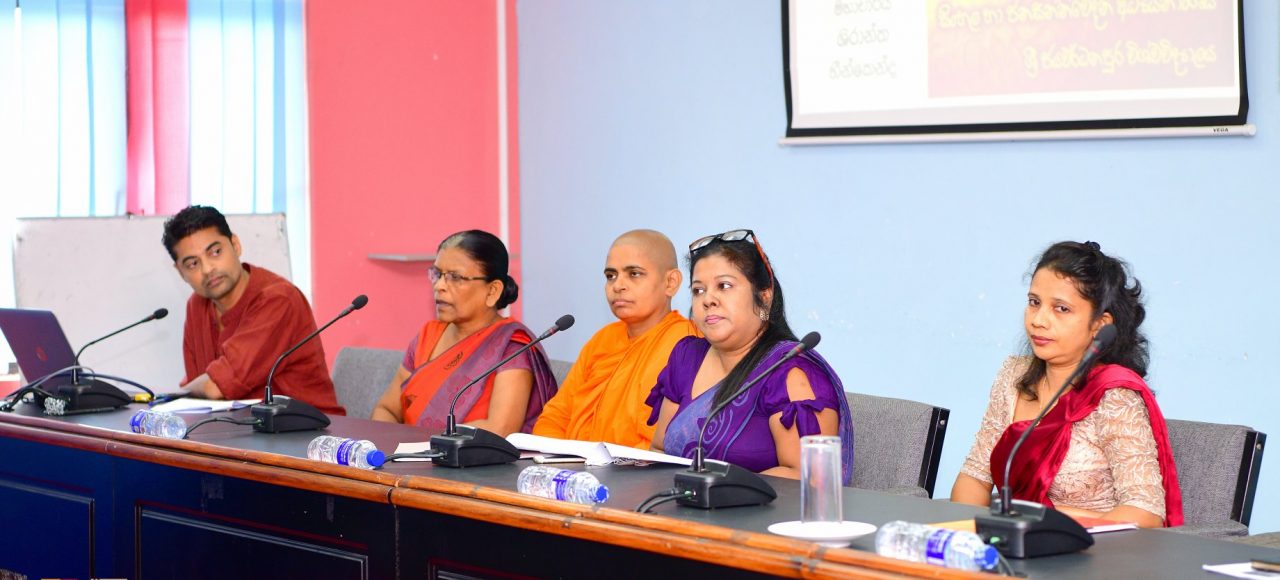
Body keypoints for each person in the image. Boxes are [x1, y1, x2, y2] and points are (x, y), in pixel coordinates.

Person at [950, 241, 1183, 528]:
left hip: (1091, 549)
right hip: (1011, 543)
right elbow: (973, 478)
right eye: (1034, 302)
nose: (1038, 320)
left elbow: (1145, 513)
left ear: (1100, 325)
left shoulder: (1114, 396)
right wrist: (974, 536)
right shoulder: (1013, 376)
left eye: (1061, 308)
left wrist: (1047, 523)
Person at [645, 229, 854, 482]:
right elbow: (659, 451)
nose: (708, 299)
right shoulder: (686, 357)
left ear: (764, 298)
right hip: (676, 502)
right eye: (698, 290)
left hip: (760, 508)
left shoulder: (790, 372)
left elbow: (809, 477)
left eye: (724, 286)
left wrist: (717, 492)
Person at [371, 230, 556, 436]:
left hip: (467, 457)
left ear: (492, 291)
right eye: (437, 274)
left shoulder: (511, 348)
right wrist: (388, 444)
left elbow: (500, 429)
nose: (439, 286)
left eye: (455, 277)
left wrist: (423, 446)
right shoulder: (428, 336)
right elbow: (386, 409)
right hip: (405, 452)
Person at [163, 205, 344, 414]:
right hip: (234, 427)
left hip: (306, 429)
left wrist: (191, 389)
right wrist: (193, 390)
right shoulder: (197, 305)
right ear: (180, 272)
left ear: (235, 245)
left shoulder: (278, 300)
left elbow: (214, 388)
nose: (207, 269)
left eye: (215, 252)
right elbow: (198, 395)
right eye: (193, 263)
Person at [532, 230, 698, 448]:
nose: (618, 285)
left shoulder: (686, 345)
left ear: (670, 282)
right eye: (611, 276)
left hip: (634, 467)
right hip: (571, 463)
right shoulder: (603, 339)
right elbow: (556, 416)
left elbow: (667, 440)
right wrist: (555, 457)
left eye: (634, 274)